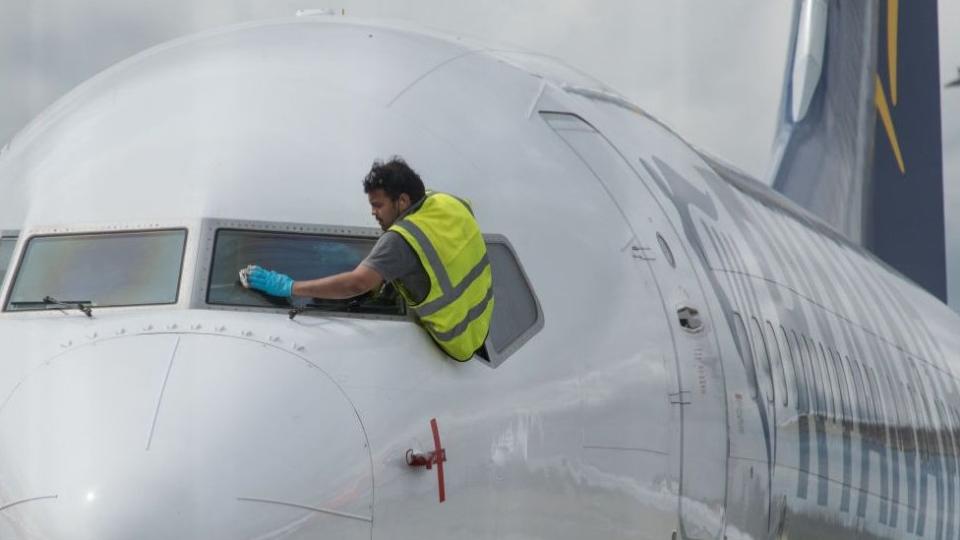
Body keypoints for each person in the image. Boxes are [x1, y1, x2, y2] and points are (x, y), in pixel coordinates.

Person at [244, 157, 493, 361]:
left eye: (378, 205)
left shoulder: (400, 241)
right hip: (481, 320)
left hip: (454, 337)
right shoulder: (449, 202)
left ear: (403, 201)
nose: (373, 212)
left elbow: (357, 284)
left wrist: (290, 287)